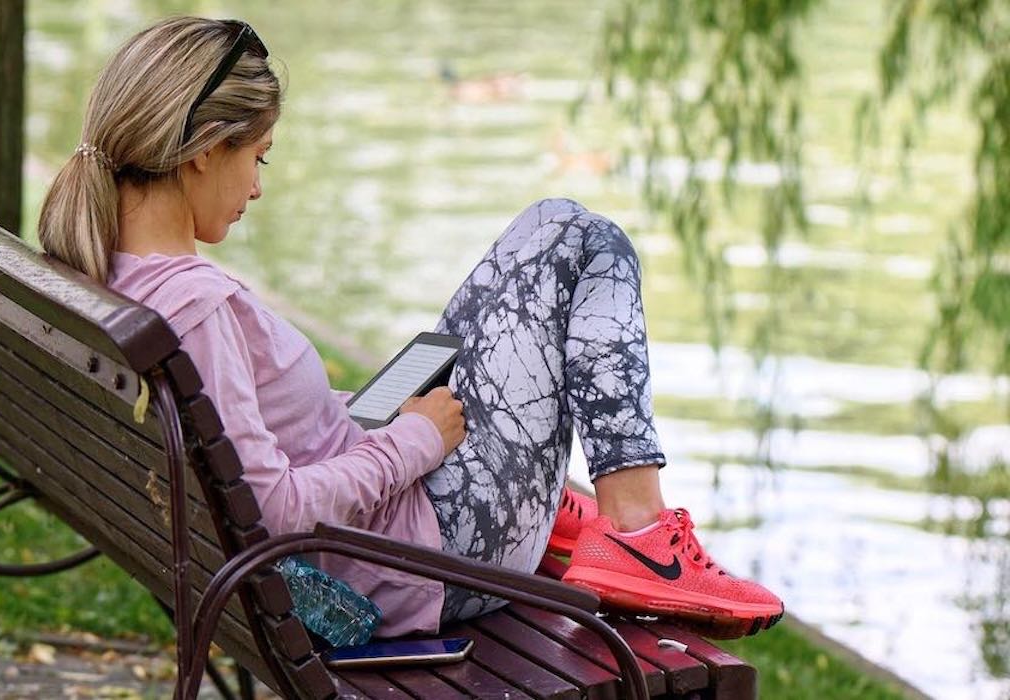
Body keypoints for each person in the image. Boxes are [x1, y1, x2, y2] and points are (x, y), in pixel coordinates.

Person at [38, 16, 783, 639]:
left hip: (377, 532)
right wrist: (414, 441)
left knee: (529, 262)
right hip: (419, 561)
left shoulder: (108, 272)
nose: (258, 187)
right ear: (204, 152)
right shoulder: (195, 306)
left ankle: (551, 500)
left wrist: (356, 415)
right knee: (578, 236)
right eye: (256, 157)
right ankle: (639, 536)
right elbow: (273, 511)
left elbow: (249, 441)